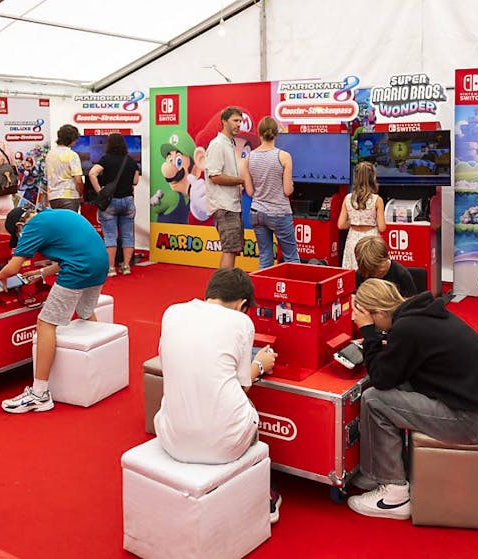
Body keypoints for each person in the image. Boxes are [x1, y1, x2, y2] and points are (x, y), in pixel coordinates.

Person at [347, 279, 478, 520]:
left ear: (379, 313)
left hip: (477, 420)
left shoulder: (407, 329)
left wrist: (369, 333)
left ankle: (394, 496)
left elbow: (381, 379)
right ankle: (379, 472)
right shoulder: (420, 314)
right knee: (397, 386)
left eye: (366, 318)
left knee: (374, 400)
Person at [154, 268, 282, 523]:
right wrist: (260, 364)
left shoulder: (172, 312)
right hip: (225, 446)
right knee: (246, 405)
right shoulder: (242, 322)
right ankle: (262, 493)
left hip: (171, 440)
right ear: (242, 304)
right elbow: (243, 384)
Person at [0, 207, 108, 413]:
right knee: (85, 312)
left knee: (45, 323)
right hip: (100, 264)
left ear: (20, 227)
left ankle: (39, 394)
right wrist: (41, 273)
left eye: (18, 235)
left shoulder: (32, 227)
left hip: (79, 269)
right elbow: (71, 252)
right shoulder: (54, 215)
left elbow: (13, 267)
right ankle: (99, 369)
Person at [245, 115, 299, 269]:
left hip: (257, 212)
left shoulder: (248, 158)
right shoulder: (284, 156)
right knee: (291, 258)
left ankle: (264, 291)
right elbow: (288, 191)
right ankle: (294, 292)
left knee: (265, 257)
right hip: (279, 213)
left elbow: (249, 191)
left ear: (259, 133)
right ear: (276, 133)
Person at [88, 133, 140, 277]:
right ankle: (126, 266)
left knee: (110, 235)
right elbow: (135, 181)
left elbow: (92, 173)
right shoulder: (130, 161)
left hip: (110, 202)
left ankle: (111, 268)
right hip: (128, 201)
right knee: (128, 235)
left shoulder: (105, 160)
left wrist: (100, 191)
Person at [205, 107, 247, 269]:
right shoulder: (217, 145)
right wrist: (241, 181)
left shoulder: (229, 144)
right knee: (230, 250)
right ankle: (223, 290)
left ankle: (225, 287)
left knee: (232, 249)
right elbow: (215, 176)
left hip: (231, 204)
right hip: (224, 205)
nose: (238, 125)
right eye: (235, 121)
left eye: (240, 121)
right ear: (224, 121)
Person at [338, 161, 386, 270]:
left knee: (352, 273)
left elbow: (341, 225)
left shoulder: (347, 198)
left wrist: (353, 222)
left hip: (352, 239)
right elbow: (382, 227)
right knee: (370, 270)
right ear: (372, 178)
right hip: (371, 240)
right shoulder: (377, 200)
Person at [45, 124, 85, 212]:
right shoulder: (72, 155)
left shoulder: (50, 154)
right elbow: (78, 181)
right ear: (71, 139)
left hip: (53, 197)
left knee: (58, 224)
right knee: (70, 224)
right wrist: (81, 194)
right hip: (69, 196)